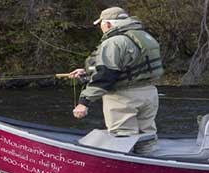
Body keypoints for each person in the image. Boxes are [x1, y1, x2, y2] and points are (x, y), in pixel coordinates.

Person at [67, 7, 163, 153]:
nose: (101, 28)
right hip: (149, 94)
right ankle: (151, 167)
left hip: (123, 99)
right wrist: (86, 72)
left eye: (101, 24)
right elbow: (129, 66)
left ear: (109, 24)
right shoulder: (145, 37)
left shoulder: (114, 42)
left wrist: (84, 102)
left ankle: (125, 172)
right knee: (147, 135)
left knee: (124, 138)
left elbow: (106, 75)